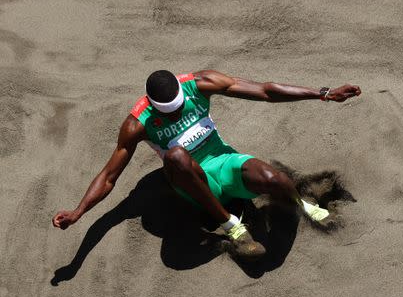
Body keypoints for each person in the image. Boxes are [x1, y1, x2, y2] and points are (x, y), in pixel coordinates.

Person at [52, 69, 361, 260]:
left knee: (276, 179)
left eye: (179, 107)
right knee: (175, 157)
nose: (176, 113)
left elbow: (265, 91)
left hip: (224, 161)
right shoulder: (137, 124)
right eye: (168, 112)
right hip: (195, 185)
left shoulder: (201, 84)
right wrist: (79, 211)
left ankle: (301, 205)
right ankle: (231, 227)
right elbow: (108, 177)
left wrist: (323, 93)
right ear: (152, 104)